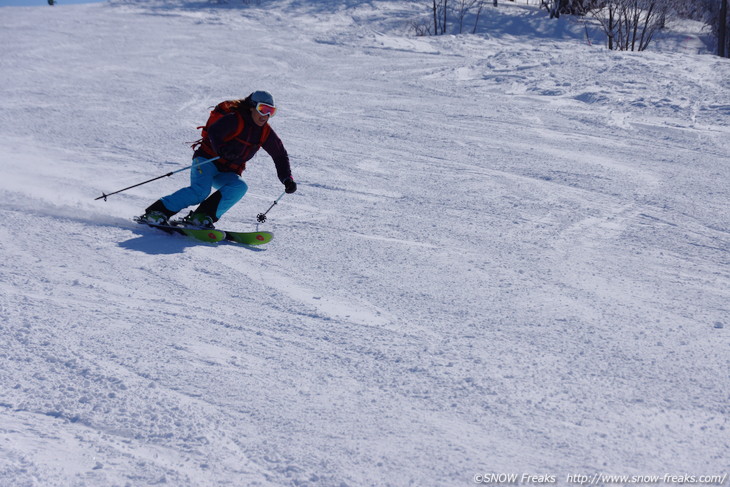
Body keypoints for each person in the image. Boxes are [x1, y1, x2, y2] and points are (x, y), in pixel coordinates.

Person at [140, 90, 296, 228]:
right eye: (263, 109)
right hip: (206, 161)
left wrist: (286, 179)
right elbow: (214, 132)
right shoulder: (235, 119)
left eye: (271, 111)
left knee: (239, 187)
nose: (266, 115)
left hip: (227, 170)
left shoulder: (265, 132)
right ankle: (156, 212)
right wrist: (223, 150)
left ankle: (201, 216)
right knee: (200, 191)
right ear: (252, 107)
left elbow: (280, 155)